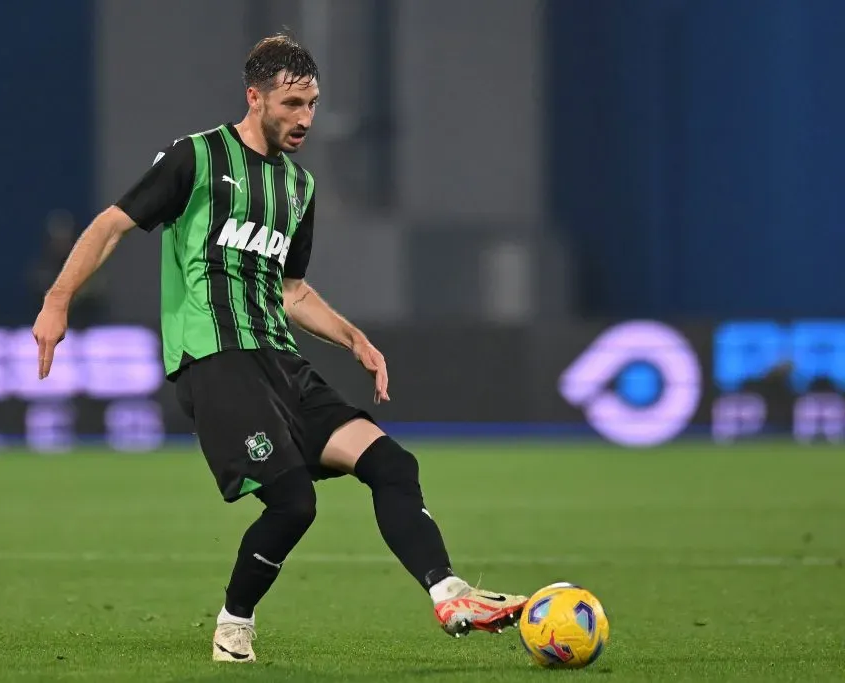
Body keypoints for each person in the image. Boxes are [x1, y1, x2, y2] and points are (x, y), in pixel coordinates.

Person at [32, 33, 527, 663]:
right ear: (255, 97)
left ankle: (449, 592)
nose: (305, 119)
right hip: (215, 359)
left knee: (392, 466)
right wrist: (57, 300)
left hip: (279, 359)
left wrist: (351, 337)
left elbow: (291, 290)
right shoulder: (197, 158)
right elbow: (109, 225)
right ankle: (234, 625)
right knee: (295, 503)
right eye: (292, 103)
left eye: (313, 104)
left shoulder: (297, 186)